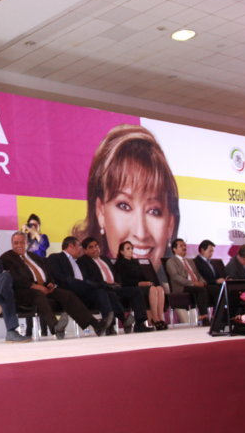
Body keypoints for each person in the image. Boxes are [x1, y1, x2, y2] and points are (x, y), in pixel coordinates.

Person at [74, 124, 179, 286]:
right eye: (124, 206)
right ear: (101, 211)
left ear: (170, 223)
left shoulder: (172, 271)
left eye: (154, 211)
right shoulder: (89, 265)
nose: (141, 233)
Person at [1, 231, 107, 339]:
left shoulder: (34, 257)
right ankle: (55, 327)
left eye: (22, 242)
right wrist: (36, 286)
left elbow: (46, 272)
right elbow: (14, 279)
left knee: (67, 295)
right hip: (24, 291)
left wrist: (50, 283)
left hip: (43, 287)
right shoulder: (7, 258)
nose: (19, 245)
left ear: (26, 243)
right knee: (38, 295)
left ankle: (96, 325)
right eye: (16, 243)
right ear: (11, 243)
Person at [77, 237, 153, 333]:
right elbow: (88, 280)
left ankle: (140, 324)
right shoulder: (82, 262)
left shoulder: (105, 259)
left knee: (136, 291)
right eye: (91, 247)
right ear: (85, 250)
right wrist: (106, 285)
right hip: (101, 288)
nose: (95, 249)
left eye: (96, 246)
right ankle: (113, 325)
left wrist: (118, 282)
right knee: (110, 294)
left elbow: (115, 274)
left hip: (115, 287)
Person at [46, 236, 114, 335]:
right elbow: (59, 277)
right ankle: (98, 325)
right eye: (79, 246)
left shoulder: (79, 262)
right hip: (68, 291)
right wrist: (84, 285)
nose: (81, 249)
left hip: (83, 291)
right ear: (71, 246)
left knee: (102, 292)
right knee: (86, 290)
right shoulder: (55, 257)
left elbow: (85, 279)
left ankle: (108, 326)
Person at [113, 240, 167, 330]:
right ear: (122, 251)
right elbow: (123, 281)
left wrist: (147, 282)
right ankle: (154, 319)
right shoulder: (120, 264)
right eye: (128, 248)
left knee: (159, 288)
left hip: (141, 286)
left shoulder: (135, 262)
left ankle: (160, 317)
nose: (131, 250)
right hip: (131, 287)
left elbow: (143, 276)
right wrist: (139, 283)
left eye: (131, 248)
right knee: (152, 289)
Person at [166, 238, 210, 326]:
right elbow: (176, 277)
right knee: (201, 290)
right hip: (182, 287)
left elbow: (198, 274)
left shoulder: (190, 261)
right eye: (181, 246)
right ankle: (203, 316)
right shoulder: (171, 261)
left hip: (195, 285)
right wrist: (192, 283)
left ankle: (222, 317)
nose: (184, 248)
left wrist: (202, 282)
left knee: (213, 289)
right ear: (174, 249)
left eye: (185, 246)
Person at [194, 239, 225, 304]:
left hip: (215, 284)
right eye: (210, 251)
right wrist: (215, 281)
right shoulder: (196, 262)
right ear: (202, 250)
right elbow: (201, 278)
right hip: (207, 285)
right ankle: (220, 310)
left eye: (212, 251)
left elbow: (217, 276)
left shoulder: (211, 262)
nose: (212, 253)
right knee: (218, 290)